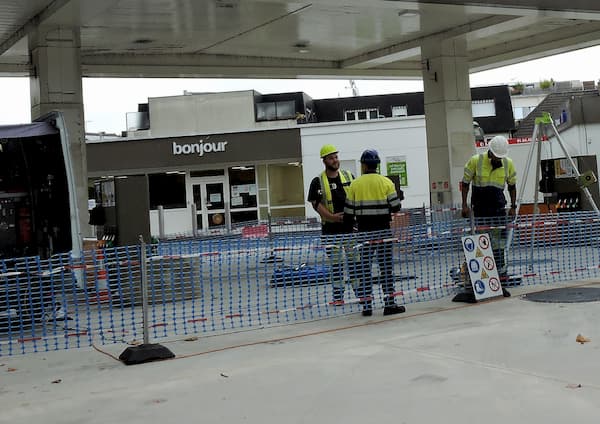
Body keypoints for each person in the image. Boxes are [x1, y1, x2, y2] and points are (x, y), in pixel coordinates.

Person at [344, 149, 406, 316]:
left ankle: (367, 306)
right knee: (386, 268)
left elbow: (348, 213)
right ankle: (389, 304)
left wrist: (351, 230)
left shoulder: (355, 185)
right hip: (383, 231)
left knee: (364, 269)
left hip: (364, 233)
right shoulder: (386, 182)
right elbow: (396, 207)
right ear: (377, 165)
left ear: (363, 165)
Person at [461, 135, 517, 289]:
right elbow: (465, 184)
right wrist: (464, 205)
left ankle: (499, 274)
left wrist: (513, 206)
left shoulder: (508, 164)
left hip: (498, 210)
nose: (498, 159)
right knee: (480, 243)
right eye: (496, 156)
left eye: (500, 157)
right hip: (480, 211)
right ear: (490, 152)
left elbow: (512, 186)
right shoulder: (475, 161)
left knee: (499, 244)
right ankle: (479, 275)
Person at [307, 144, 357, 304]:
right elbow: (316, 204)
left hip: (350, 229)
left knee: (355, 262)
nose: (335, 160)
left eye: (336, 157)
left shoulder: (349, 176)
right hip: (331, 230)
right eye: (331, 158)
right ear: (324, 161)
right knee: (336, 265)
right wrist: (333, 217)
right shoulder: (318, 181)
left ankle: (361, 293)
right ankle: (338, 297)